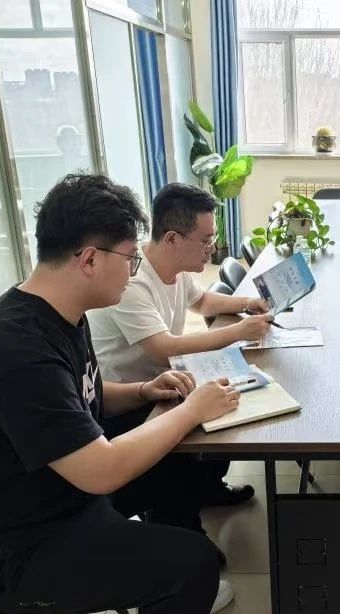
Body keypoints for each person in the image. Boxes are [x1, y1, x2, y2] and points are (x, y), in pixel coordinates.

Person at [0, 174, 240, 613]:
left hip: (59, 491)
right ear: (90, 259)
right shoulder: (17, 350)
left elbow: (79, 396)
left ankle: (147, 562)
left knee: (184, 460)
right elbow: (100, 472)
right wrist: (190, 411)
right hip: (14, 546)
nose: (134, 271)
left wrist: (144, 390)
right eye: (130, 259)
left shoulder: (64, 312)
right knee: (194, 566)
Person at [89, 182, 272, 508]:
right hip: (125, 399)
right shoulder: (131, 280)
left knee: (228, 398)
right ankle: (184, 519)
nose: (211, 249)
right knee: (198, 431)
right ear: (173, 239)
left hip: (164, 380)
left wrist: (246, 303)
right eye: (205, 241)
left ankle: (209, 487)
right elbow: (165, 348)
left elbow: (202, 301)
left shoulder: (178, 266)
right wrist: (239, 331)